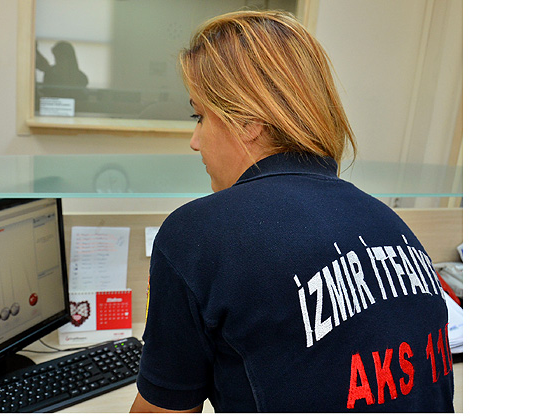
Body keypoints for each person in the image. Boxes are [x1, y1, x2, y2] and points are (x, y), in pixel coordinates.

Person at [130, 10, 455, 413]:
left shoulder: (196, 235)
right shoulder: (391, 224)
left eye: (201, 116)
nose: (195, 141)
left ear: (247, 120)